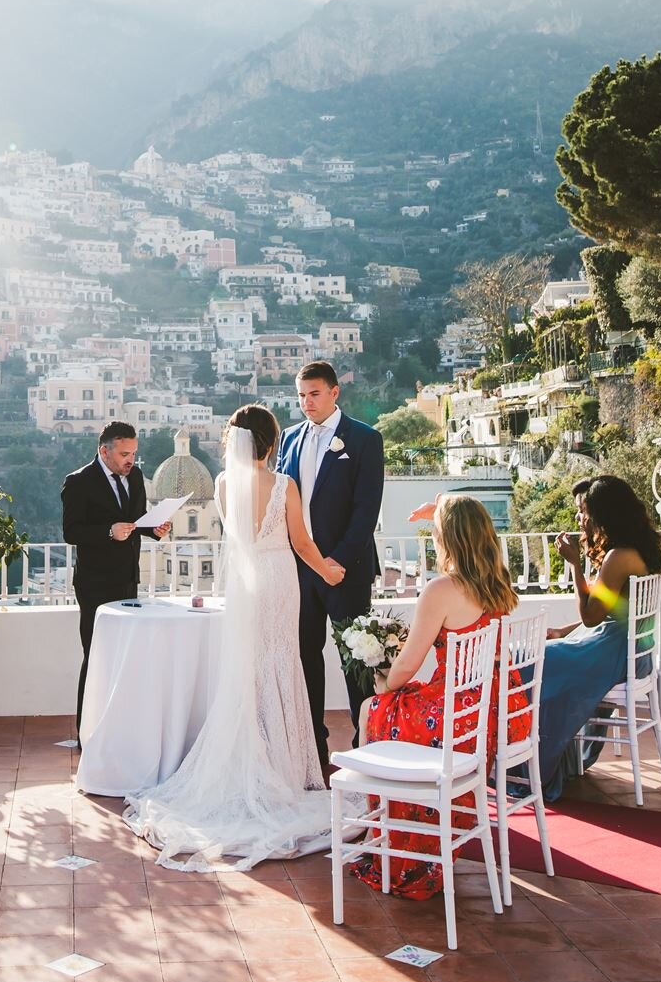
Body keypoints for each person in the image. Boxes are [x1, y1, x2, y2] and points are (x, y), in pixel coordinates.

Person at [124, 403, 347, 871]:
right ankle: (282, 767)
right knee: (281, 662)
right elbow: (302, 543)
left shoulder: (224, 484)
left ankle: (255, 757)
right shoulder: (283, 484)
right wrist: (327, 570)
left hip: (245, 581)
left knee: (251, 666)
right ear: (272, 442)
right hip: (280, 579)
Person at [352, 493, 529, 900]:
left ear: (447, 540)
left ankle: (387, 830)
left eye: (435, 533)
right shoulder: (496, 583)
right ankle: (401, 828)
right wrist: (442, 511)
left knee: (374, 708)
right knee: (389, 704)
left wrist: (385, 684)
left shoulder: (440, 590)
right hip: (487, 714)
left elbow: (408, 665)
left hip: (452, 719)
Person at [276, 363, 384, 772]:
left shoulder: (365, 439)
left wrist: (335, 561)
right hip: (300, 570)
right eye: (301, 395)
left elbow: (365, 510)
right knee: (305, 655)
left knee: (356, 658)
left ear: (335, 393)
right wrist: (307, 561)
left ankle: (365, 743)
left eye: (315, 394)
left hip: (345, 570)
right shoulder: (289, 439)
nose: (307, 403)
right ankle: (313, 745)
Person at [532, 473, 661, 802]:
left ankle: (533, 765)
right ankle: (555, 757)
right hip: (635, 649)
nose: (579, 518)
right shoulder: (642, 549)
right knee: (547, 653)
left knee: (532, 666)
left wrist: (575, 565)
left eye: (583, 511)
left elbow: (591, 615)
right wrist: (564, 632)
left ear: (604, 515)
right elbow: (610, 612)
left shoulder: (617, 557)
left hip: (614, 653)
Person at [61, 421, 169, 739]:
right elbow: (71, 533)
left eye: (134, 453)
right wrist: (109, 531)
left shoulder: (134, 476)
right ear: (104, 450)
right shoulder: (78, 482)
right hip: (94, 584)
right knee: (95, 655)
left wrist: (154, 529)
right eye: (124, 453)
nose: (130, 460)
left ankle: (119, 730)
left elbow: (134, 520)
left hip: (128, 581)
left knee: (126, 658)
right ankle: (87, 734)